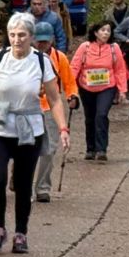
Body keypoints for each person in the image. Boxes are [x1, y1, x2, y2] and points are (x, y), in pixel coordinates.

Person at [0, 12, 70, 255]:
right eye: (12, 34)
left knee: (23, 184)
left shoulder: (42, 62)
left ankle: (21, 232)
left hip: (29, 127)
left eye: (22, 35)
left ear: (32, 37)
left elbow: (54, 99)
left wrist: (63, 129)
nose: (16, 39)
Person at [31, 21, 78, 203]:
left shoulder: (59, 58)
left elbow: (69, 81)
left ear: (52, 39)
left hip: (51, 109)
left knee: (49, 150)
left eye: (45, 41)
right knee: (26, 149)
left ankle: (43, 187)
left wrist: (72, 95)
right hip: (29, 108)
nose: (42, 45)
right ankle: (22, 182)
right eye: (39, 41)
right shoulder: (25, 58)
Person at [69, 19, 129, 161]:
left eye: (108, 30)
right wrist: (71, 90)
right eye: (102, 30)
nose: (106, 33)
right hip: (86, 87)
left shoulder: (114, 48)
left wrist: (122, 90)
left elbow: (120, 69)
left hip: (107, 87)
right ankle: (90, 149)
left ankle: (101, 149)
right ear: (95, 32)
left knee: (101, 115)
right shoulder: (85, 47)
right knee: (90, 117)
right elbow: (74, 67)